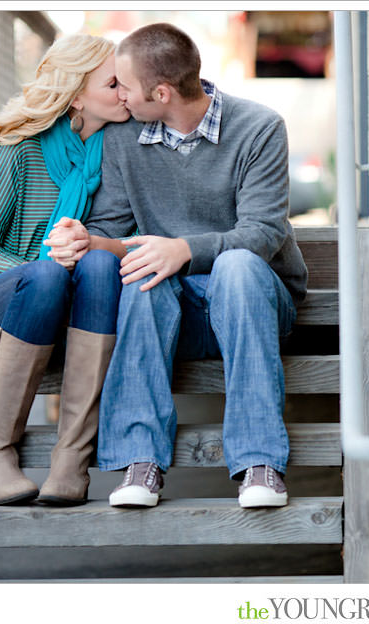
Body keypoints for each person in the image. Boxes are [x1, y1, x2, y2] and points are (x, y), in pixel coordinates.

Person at [54, 23, 308, 509]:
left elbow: (264, 233)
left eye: (125, 85)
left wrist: (184, 249)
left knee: (236, 266)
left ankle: (260, 464)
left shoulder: (258, 127)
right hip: (176, 312)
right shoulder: (123, 139)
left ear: (162, 92)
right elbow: (114, 229)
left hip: (255, 305)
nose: (119, 95)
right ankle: (139, 461)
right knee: (145, 278)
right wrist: (90, 240)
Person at [0, 33, 131, 507]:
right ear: (76, 93)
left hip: (79, 322)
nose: (126, 93)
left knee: (97, 263)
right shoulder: (20, 151)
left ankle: (70, 461)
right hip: (0, 313)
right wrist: (42, 265)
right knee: (50, 274)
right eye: (114, 83)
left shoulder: (121, 154)